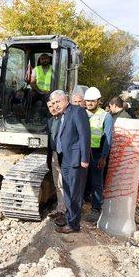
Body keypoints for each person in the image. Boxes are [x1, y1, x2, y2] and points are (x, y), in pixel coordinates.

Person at [47, 90, 91, 234]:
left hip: (76, 160)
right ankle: (69, 217)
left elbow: (84, 135)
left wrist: (84, 158)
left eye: (58, 102)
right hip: (65, 158)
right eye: (53, 103)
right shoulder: (63, 115)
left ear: (65, 99)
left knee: (75, 193)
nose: (56, 105)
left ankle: (74, 225)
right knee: (67, 191)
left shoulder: (77, 111)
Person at [83, 87, 114, 223]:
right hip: (82, 152)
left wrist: (103, 157)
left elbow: (108, 137)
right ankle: (81, 204)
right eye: (87, 101)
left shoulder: (105, 116)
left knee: (96, 182)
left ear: (99, 101)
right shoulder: (81, 113)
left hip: (97, 154)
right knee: (82, 181)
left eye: (92, 101)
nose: (89, 103)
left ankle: (96, 209)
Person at [46, 100, 66, 222]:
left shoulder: (64, 120)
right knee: (58, 184)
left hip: (65, 156)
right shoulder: (50, 121)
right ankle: (60, 208)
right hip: (54, 155)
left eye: (53, 105)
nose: (52, 108)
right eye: (49, 107)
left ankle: (65, 211)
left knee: (64, 184)